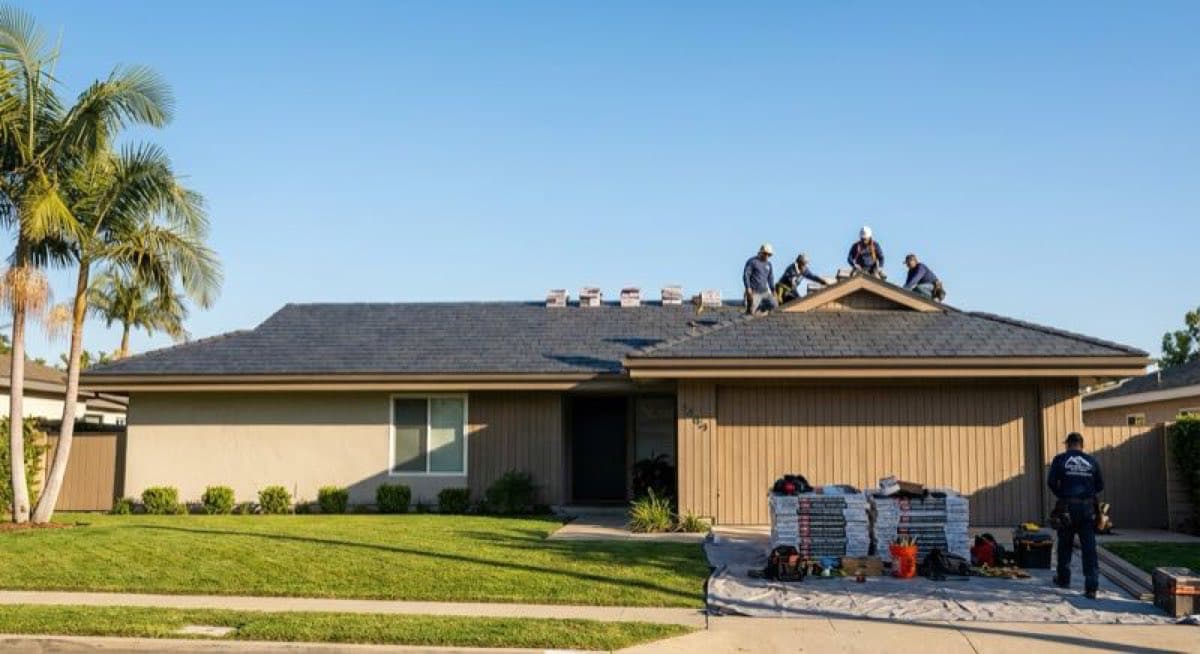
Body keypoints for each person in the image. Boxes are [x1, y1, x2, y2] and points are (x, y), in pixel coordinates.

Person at [1047, 432, 1105, 599]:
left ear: (1068, 444)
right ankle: (1091, 587)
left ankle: (1064, 579)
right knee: (1089, 548)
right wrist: (1086, 494)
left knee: (1065, 544)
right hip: (1087, 509)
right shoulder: (1092, 461)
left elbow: (1051, 482)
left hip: (1067, 508)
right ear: (1081, 444)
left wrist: (1062, 494)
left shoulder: (1060, 459)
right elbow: (1100, 485)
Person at [743, 243, 776, 314]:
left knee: (774, 305)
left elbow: (770, 278)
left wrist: (773, 290)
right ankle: (753, 309)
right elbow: (746, 275)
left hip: (765, 292)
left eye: (769, 255)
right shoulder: (752, 261)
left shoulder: (769, 265)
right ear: (761, 252)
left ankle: (760, 310)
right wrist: (748, 288)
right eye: (765, 254)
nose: (767, 256)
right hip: (754, 292)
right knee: (750, 312)